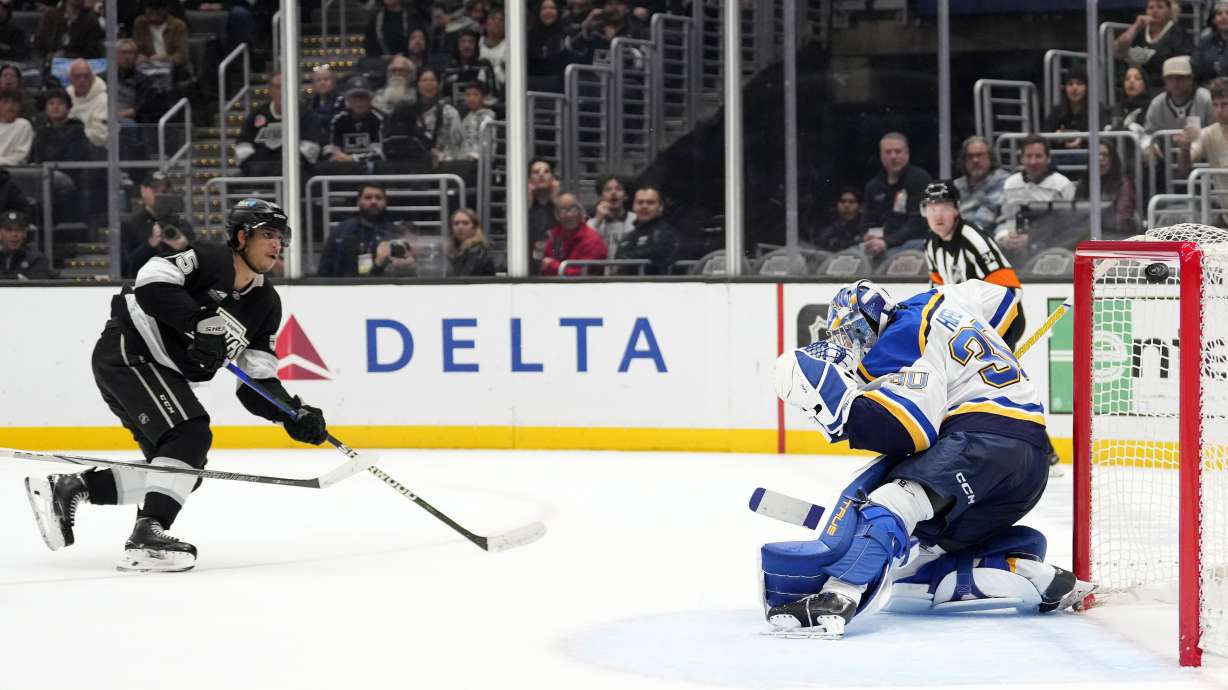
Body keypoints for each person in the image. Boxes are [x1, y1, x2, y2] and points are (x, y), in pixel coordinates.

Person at [765, 279, 1094, 637]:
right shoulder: (946, 297)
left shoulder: (901, 341)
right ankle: (1022, 570)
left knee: (895, 500)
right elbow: (1005, 304)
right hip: (1029, 463)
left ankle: (839, 595)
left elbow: (910, 429)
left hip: (982, 441)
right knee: (914, 575)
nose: (857, 343)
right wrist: (987, 358)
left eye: (857, 330)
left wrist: (846, 413)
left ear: (875, 317)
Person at [24, 199, 329, 572]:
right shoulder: (208, 259)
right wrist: (196, 323)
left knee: (183, 472)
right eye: (267, 234)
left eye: (281, 237)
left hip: (159, 370)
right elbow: (151, 281)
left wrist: (291, 414)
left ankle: (72, 488)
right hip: (129, 351)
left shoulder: (266, 304)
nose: (276, 244)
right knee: (190, 435)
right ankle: (146, 538)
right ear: (240, 237)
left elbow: (257, 381)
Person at [994, 135, 1076, 262]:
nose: (1033, 161)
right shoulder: (1010, 184)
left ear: (1048, 159)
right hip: (1013, 248)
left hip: (1051, 247)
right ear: (1021, 158)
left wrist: (1033, 239)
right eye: (1028, 156)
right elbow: (1002, 220)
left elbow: (1070, 226)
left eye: (1038, 156)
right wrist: (1004, 237)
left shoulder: (1062, 185)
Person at [235, 71, 325, 177]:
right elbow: (242, 146)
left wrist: (280, 168)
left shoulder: (306, 115)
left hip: (295, 176)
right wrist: (258, 167)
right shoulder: (257, 114)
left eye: (286, 86)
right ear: (270, 90)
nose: (282, 91)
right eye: (277, 87)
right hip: (259, 174)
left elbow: (310, 150)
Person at [860, 132, 931, 261]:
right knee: (852, 255)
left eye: (898, 151)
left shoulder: (920, 179)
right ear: (881, 155)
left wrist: (887, 242)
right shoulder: (874, 185)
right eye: (888, 152)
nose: (893, 156)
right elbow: (868, 221)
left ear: (907, 153)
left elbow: (918, 223)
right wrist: (869, 237)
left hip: (911, 243)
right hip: (880, 243)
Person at [316, 183, 409, 277]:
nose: (373, 201)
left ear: (385, 202)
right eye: (368, 197)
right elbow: (324, 269)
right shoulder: (342, 231)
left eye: (378, 198)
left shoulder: (395, 233)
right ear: (358, 202)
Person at [120, 171, 196, 278]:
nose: (160, 193)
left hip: (175, 283)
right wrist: (151, 244)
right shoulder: (130, 224)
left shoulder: (181, 224)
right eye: (155, 188)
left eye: (165, 190)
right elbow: (125, 267)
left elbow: (197, 265)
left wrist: (184, 248)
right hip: (141, 283)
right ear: (143, 190)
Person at [1112, 0, 1191, 90]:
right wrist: (1136, 26)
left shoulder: (1178, 33)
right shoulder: (1140, 31)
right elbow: (1117, 52)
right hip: (1139, 86)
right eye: (1151, 7)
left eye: (1160, 7)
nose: (1155, 10)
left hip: (1166, 86)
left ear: (1170, 12)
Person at [1078, 142, 1139, 239]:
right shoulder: (1084, 183)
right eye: (1096, 155)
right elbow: (1076, 215)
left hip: (1115, 236)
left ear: (1112, 159)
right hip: (1086, 236)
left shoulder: (1123, 184)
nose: (1100, 158)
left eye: (1105, 155)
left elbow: (1121, 218)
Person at [952, 136, 1010, 236]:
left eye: (980, 155)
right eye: (970, 156)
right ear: (964, 161)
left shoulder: (1003, 181)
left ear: (990, 158)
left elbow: (986, 219)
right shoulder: (956, 185)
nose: (975, 160)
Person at [614, 186, 678, 275]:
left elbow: (657, 254)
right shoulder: (627, 237)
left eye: (650, 202)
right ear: (633, 207)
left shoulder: (666, 233)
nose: (644, 206)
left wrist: (630, 256)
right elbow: (618, 261)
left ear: (660, 207)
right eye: (640, 202)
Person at [540, 192, 608, 276]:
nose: (569, 214)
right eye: (563, 210)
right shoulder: (553, 236)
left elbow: (583, 275)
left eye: (573, 209)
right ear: (557, 215)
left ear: (581, 212)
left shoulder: (593, 240)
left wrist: (554, 266)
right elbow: (543, 266)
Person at [1144, 56, 1213, 135]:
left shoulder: (1205, 99)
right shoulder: (1157, 104)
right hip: (1165, 147)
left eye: (1180, 78)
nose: (1175, 83)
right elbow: (1148, 135)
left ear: (1190, 79)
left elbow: (1218, 133)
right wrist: (1152, 146)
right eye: (1170, 78)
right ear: (1164, 81)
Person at [1042, 67, 1108, 150]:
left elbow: (1103, 135)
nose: (1074, 88)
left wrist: (1082, 139)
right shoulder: (1057, 111)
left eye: (1079, 84)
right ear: (1065, 88)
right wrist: (1056, 137)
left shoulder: (1097, 109)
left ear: (1086, 88)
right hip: (1060, 157)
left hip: (1090, 156)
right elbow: (1045, 135)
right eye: (1070, 84)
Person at [324, 75, 385, 164]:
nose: (359, 102)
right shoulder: (338, 120)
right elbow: (329, 147)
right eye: (354, 97)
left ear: (370, 99)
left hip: (371, 170)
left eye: (363, 97)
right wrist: (337, 156)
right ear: (347, 99)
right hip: (342, 169)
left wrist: (353, 158)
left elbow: (380, 153)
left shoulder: (379, 119)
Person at [32, 0, 104, 59]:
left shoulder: (91, 21)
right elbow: (37, 47)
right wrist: (46, 59)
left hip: (78, 69)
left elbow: (93, 54)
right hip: (48, 67)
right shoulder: (49, 16)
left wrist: (66, 56)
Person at [528, 0, 572, 93]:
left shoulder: (565, 35)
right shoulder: (529, 36)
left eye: (552, 8)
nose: (548, 11)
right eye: (544, 8)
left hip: (559, 87)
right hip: (531, 85)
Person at [66, 58, 107, 148]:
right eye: (77, 76)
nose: (82, 80)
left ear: (92, 77)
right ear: (70, 79)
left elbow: (100, 136)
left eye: (86, 76)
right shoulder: (66, 95)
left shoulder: (103, 99)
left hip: (94, 150)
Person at [590, 172, 633, 255]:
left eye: (619, 189)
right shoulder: (591, 224)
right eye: (608, 190)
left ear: (626, 196)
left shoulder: (635, 220)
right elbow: (589, 249)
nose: (613, 193)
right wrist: (598, 222)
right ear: (600, 196)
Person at [0, 209, 50, 279]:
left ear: (25, 233)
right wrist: (17, 277)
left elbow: (39, 285)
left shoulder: (36, 259)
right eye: (9, 230)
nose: (14, 234)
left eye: (19, 230)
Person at [447, 207, 497, 276]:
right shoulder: (452, 250)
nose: (460, 227)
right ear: (451, 228)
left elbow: (463, 280)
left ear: (475, 227)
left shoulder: (478, 251)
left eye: (465, 223)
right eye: (456, 223)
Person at [810, 187, 862, 252]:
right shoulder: (829, 227)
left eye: (851, 202)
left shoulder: (864, 227)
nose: (846, 205)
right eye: (842, 201)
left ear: (860, 207)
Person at [527, 158, 560, 249]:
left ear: (553, 178)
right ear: (529, 180)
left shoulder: (563, 202)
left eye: (546, 171)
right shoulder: (520, 206)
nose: (541, 175)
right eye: (536, 172)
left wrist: (557, 201)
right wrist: (528, 203)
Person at [457, 81, 494, 160]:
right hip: (462, 159)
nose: (471, 98)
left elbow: (488, 145)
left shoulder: (488, 118)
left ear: (483, 98)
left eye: (475, 94)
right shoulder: (465, 118)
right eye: (468, 95)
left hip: (479, 160)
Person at [1193, 1, 1228, 84]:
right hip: (1208, 88)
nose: (1224, 17)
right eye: (1219, 14)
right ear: (1213, 20)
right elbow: (1196, 68)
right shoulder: (1205, 41)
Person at [1109, 66, 1151, 131]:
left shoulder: (1151, 107)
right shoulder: (1117, 108)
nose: (1131, 81)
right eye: (1127, 78)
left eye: (1137, 78)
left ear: (1145, 84)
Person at [306, 65, 345, 133]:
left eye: (326, 79)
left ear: (333, 82)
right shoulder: (309, 103)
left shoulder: (342, 101)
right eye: (318, 80)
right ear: (313, 84)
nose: (322, 83)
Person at [479, 7, 506, 100]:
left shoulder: (509, 46)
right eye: (493, 18)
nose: (497, 22)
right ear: (486, 24)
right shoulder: (477, 43)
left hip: (501, 91)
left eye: (501, 20)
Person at [0, 87, 32, 165]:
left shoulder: (24, 125)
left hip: (12, 172)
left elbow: (21, 156)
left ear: (20, 106)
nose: (10, 106)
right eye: (5, 102)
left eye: (14, 102)